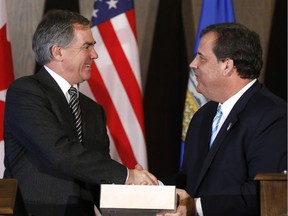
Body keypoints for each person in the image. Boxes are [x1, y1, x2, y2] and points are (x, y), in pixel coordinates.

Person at [3, 10, 158, 216]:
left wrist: (140, 200)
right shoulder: (26, 92)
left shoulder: (93, 110)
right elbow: (58, 153)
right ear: (57, 52)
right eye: (87, 46)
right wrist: (125, 175)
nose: (95, 54)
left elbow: (97, 178)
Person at [158, 23, 287, 216]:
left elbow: (264, 192)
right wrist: (153, 187)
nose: (193, 64)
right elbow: (190, 182)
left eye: (201, 57)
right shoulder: (203, 115)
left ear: (227, 65)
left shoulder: (272, 115)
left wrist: (197, 207)